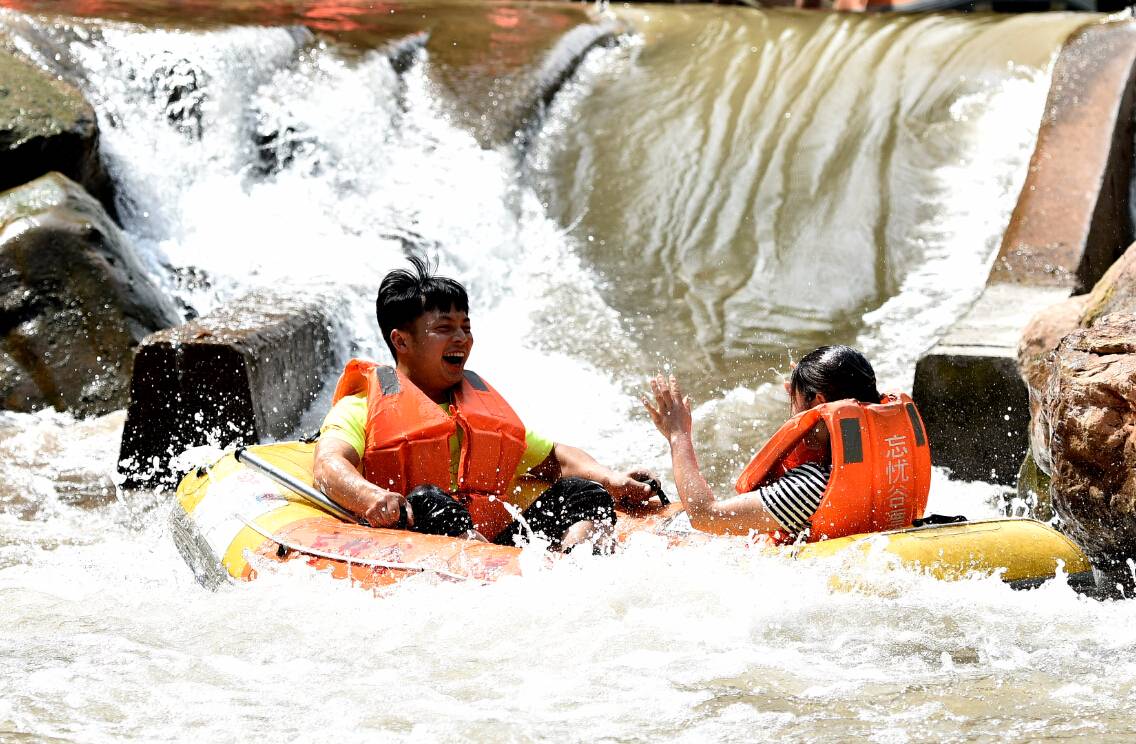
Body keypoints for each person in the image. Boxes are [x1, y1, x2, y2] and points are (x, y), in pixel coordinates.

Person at [313, 256, 656, 551]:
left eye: (466, 326)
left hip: (495, 545)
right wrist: (371, 497)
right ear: (401, 341)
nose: (461, 338)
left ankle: (574, 566)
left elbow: (557, 458)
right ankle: (482, 558)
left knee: (584, 493)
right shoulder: (361, 408)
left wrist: (612, 479)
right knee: (427, 498)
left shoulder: (478, 409)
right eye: (445, 328)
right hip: (414, 541)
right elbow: (329, 464)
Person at [641, 345, 931, 543]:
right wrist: (804, 383)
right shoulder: (896, 460)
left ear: (817, 401)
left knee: (641, 520)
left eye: (795, 398)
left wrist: (678, 434)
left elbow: (705, 516)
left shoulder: (811, 485)